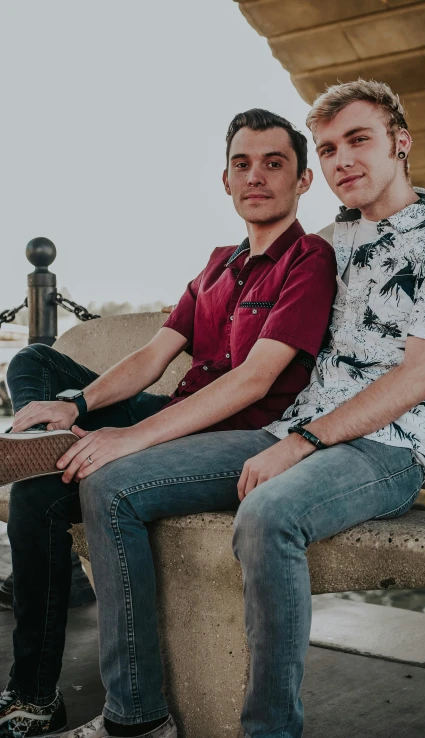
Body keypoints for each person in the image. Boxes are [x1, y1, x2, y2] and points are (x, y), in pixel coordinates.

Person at [0, 109, 337, 738]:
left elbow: (254, 381)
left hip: (242, 440)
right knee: (34, 366)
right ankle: (33, 696)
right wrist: (77, 405)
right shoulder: (216, 264)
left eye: (274, 163)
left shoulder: (308, 259)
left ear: (303, 180)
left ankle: (126, 716)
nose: (256, 176)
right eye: (243, 164)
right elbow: (151, 358)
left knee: (70, 489)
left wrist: (127, 439)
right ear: (225, 180)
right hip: (177, 416)